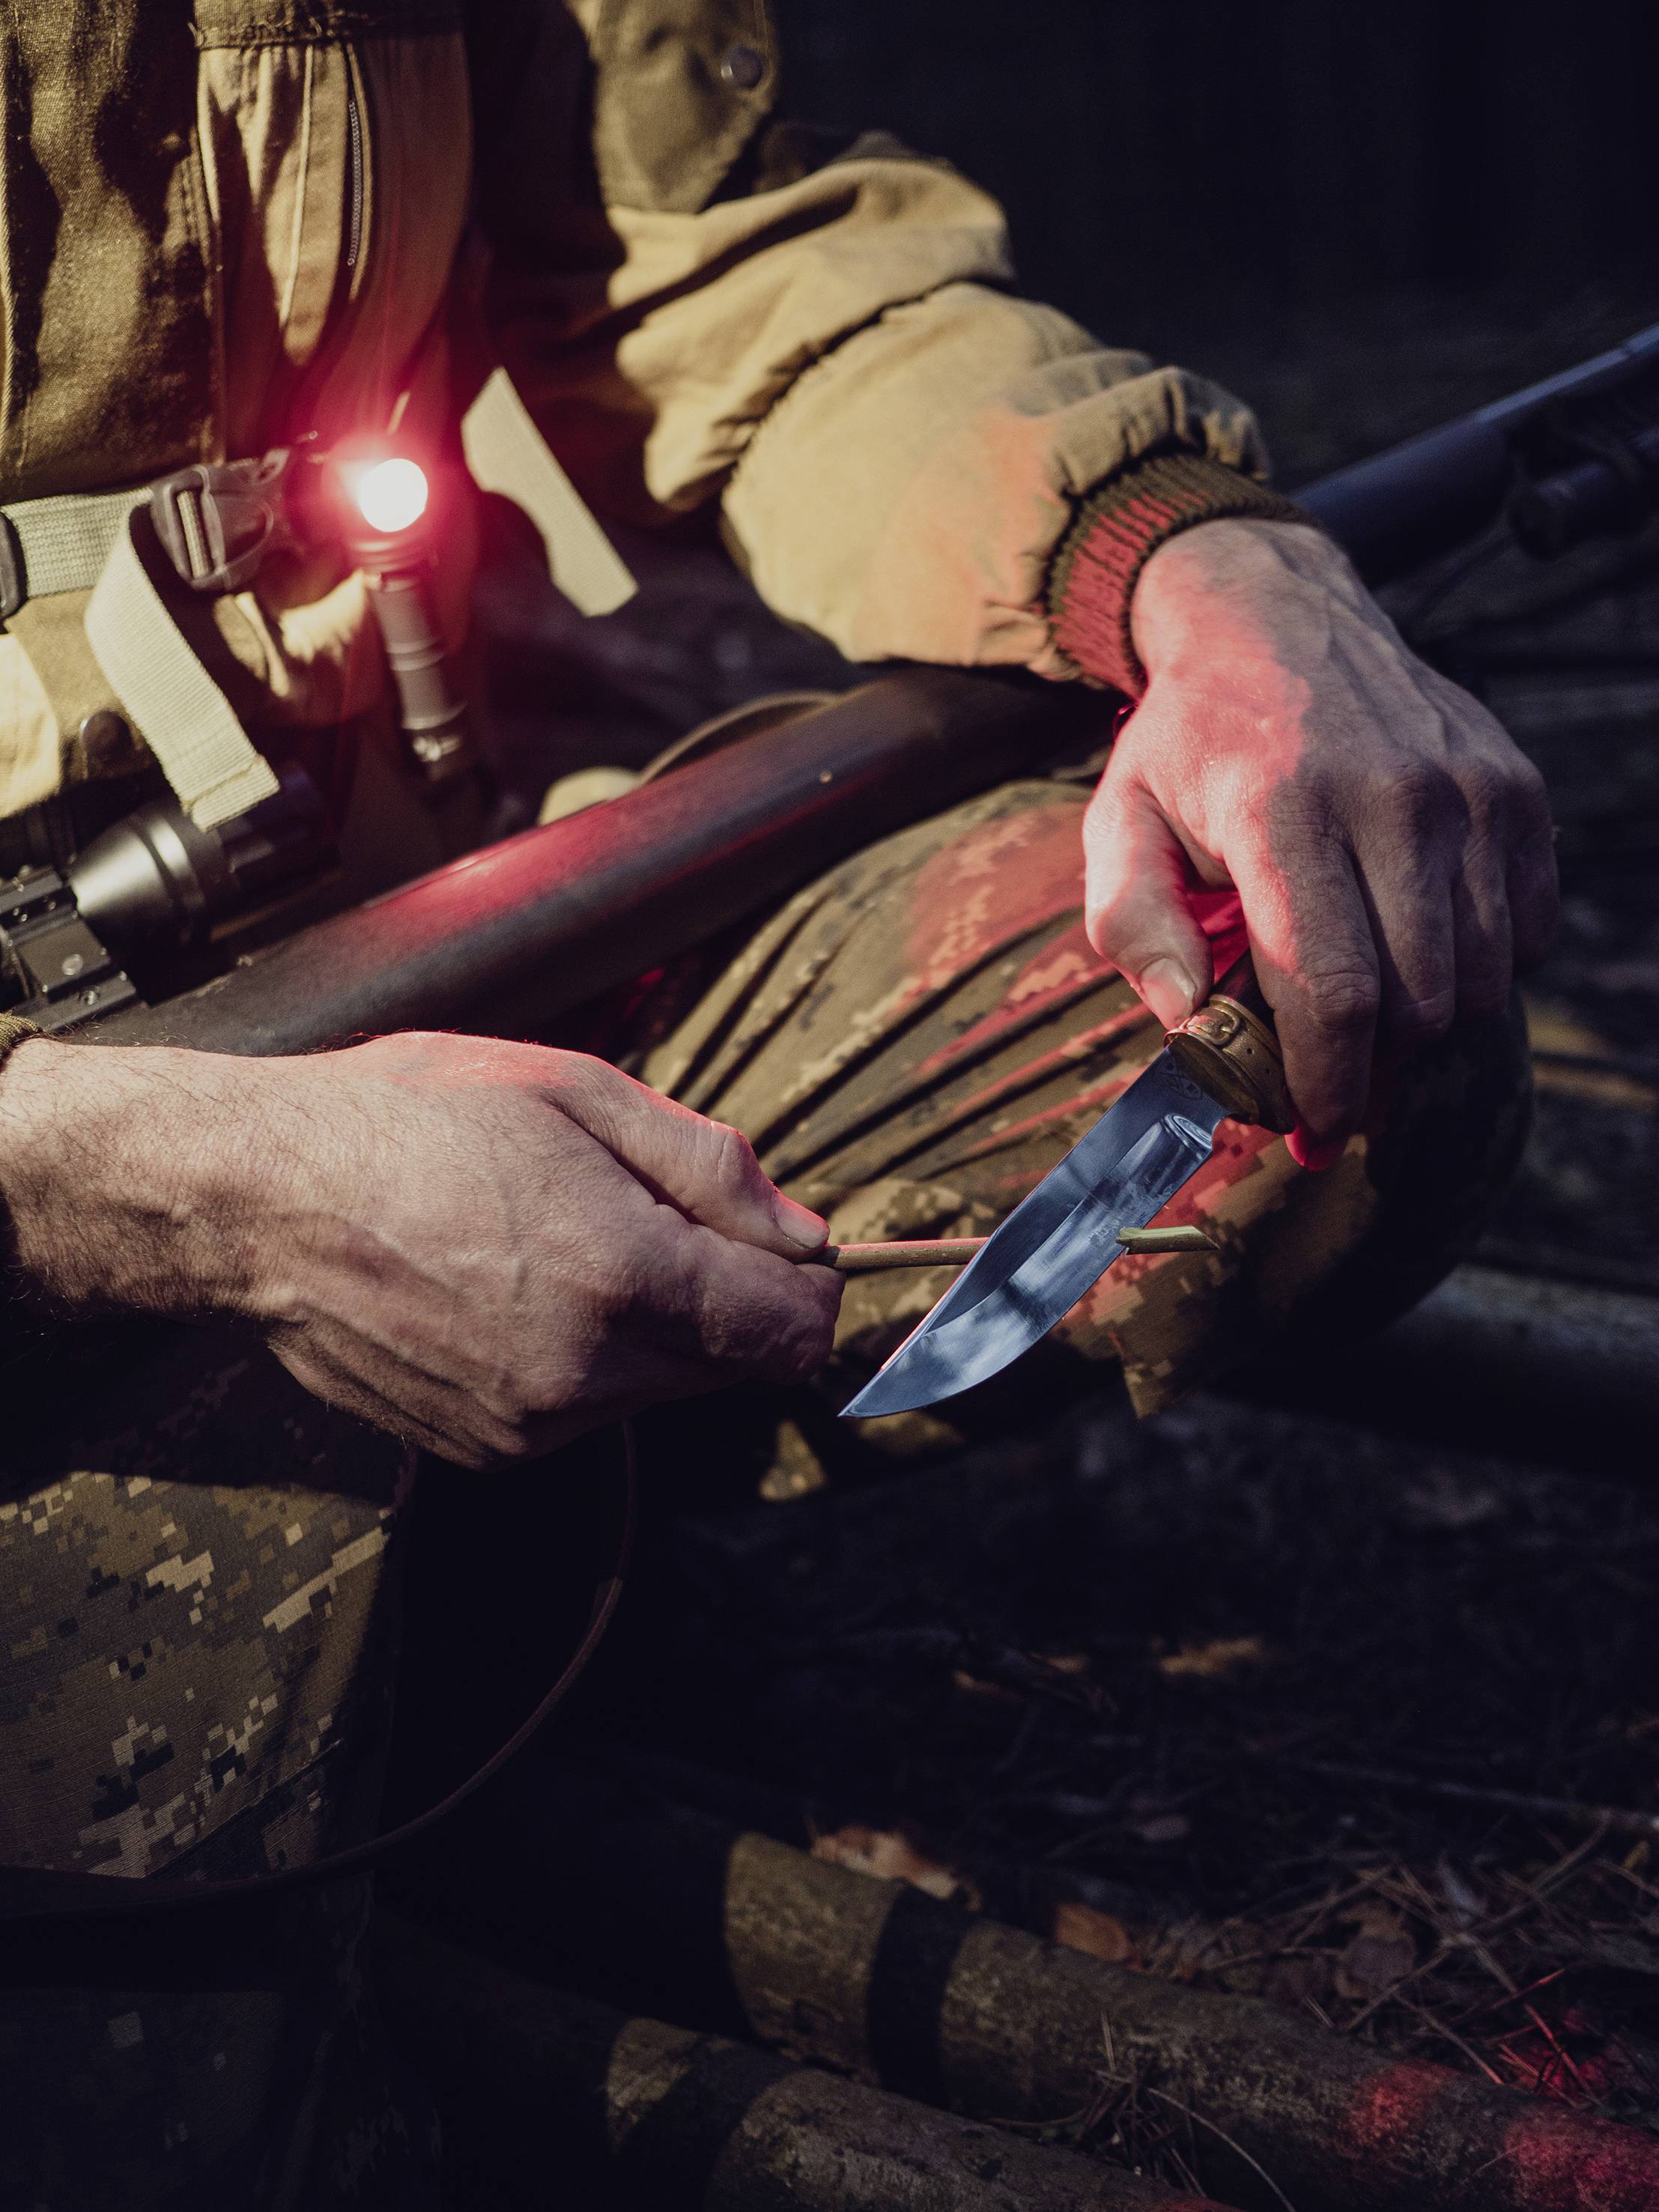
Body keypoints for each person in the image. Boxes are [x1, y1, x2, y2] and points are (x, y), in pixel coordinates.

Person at [0, 3, 1553, 2202]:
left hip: (390, 961)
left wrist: (1204, 568)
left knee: (1321, 970)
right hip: (51, 1164)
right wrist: (162, 1192)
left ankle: (464, 1551)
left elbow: (722, 245)